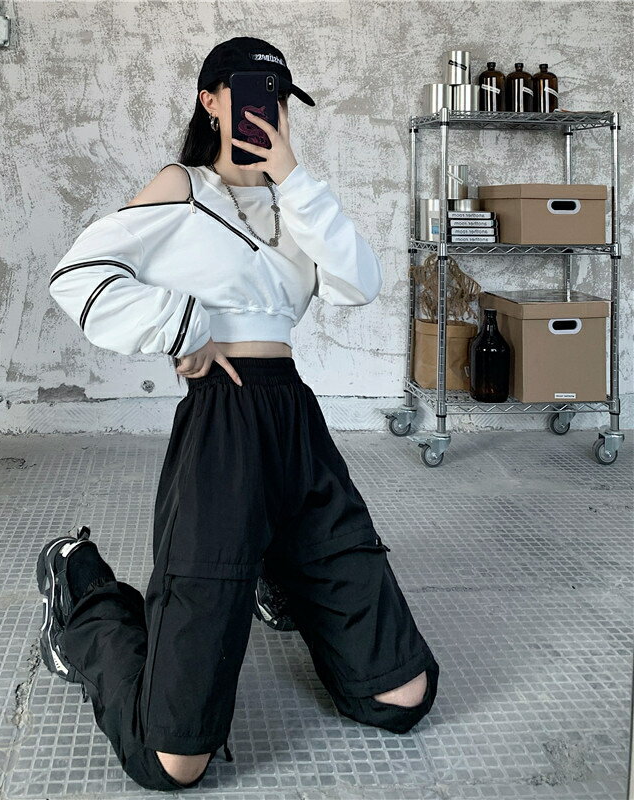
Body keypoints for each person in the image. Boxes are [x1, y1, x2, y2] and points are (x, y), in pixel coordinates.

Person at [37, 36, 440, 792]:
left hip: (296, 420)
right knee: (173, 760)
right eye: (252, 91)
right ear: (211, 101)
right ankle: (81, 596)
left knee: (402, 694)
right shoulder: (182, 187)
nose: (268, 107)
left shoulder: (298, 203)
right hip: (222, 423)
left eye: (279, 97)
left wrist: (293, 176)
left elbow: (358, 283)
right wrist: (182, 329)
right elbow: (79, 274)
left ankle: (273, 568)